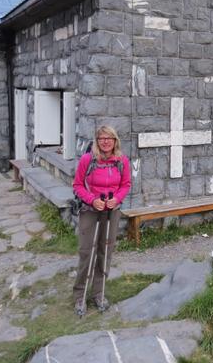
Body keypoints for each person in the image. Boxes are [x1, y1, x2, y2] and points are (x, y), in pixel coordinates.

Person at [72, 125, 131, 315]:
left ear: (115, 141)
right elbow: (78, 185)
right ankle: (80, 296)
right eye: (102, 138)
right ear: (97, 141)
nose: (106, 141)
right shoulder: (87, 160)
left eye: (109, 138)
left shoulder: (121, 161)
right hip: (90, 209)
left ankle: (98, 293)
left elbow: (126, 184)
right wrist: (92, 199)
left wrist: (118, 199)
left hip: (111, 211)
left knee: (105, 251)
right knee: (86, 252)